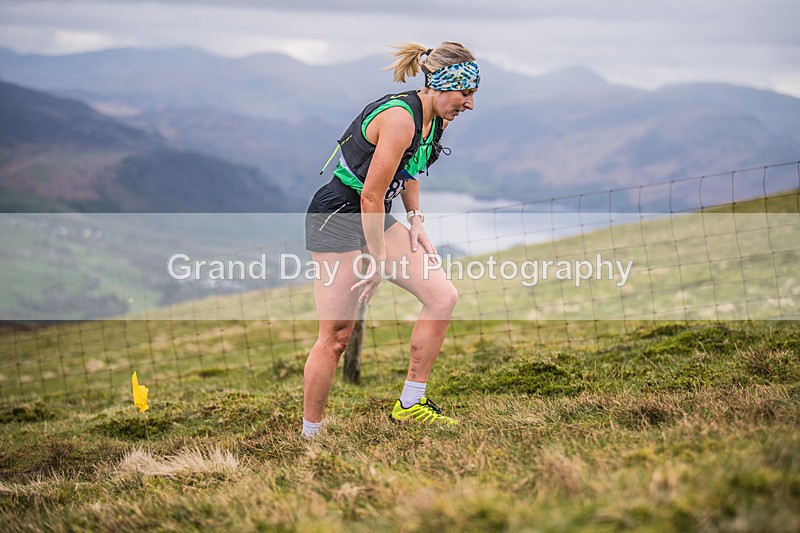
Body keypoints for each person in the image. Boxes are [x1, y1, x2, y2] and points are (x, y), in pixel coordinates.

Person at [301, 41, 480, 438]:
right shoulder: (400, 118)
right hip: (339, 213)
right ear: (441, 85)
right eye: (465, 94)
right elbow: (368, 194)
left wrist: (416, 219)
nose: (470, 105)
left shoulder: (437, 119)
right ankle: (310, 435)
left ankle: (411, 404)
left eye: (473, 95)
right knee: (335, 336)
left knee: (442, 296)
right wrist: (378, 263)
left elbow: (411, 168)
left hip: (377, 213)